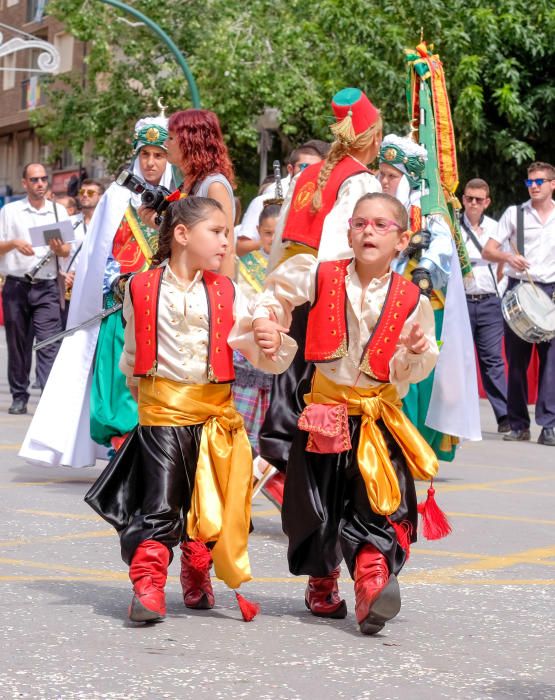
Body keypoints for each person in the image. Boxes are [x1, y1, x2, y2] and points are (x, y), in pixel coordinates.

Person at [85, 196, 285, 623]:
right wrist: (144, 398)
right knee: (158, 503)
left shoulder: (228, 289)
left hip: (216, 419)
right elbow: (133, 356)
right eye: (216, 232)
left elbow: (256, 340)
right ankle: (148, 584)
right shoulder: (141, 288)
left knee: (207, 505)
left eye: (228, 234)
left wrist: (269, 339)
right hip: (163, 417)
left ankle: (198, 572)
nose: (226, 243)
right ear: (181, 235)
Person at [252, 192, 440, 635]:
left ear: (402, 240)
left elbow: (417, 362)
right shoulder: (320, 275)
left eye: (381, 225)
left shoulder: (413, 299)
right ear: (349, 232)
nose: (369, 232)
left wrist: (413, 352)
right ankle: (322, 580)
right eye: (360, 224)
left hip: (377, 419)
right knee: (315, 508)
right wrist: (266, 320)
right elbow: (276, 293)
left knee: (377, 503)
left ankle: (373, 584)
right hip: (324, 413)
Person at [19, 113, 174, 467]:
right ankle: (124, 451)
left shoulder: (179, 199)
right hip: (121, 305)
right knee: (119, 380)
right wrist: (112, 285)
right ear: (137, 155)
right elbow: (98, 253)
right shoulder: (118, 196)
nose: (151, 162)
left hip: (165, 306)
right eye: (145, 154)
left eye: (159, 154)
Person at [258, 87, 382, 506]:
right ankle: (315, 492)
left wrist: (275, 296)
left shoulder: (306, 175)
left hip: (294, 293)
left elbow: (282, 247)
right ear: (371, 138)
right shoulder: (361, 180)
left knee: (291, 391)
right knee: (324, 399)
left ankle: (283, 475)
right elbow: (340, 251)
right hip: (328, 297)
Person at [378, 134, 480, 460]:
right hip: (382, 298)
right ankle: (390, 443)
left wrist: (424, 269)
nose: (384, 180)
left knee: (421, 377)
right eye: (381, 173)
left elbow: (441, 244)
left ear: (407, 176)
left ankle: (413, 446)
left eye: (391, 175)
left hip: (423, 302)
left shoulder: (428, 204)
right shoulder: (374, 202)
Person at [483, 161, 555, 446]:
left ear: (552, 184)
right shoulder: (514, 214)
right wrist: (508, 258)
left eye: (540, 181)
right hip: (519, 291)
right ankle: (518, 424)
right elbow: (489, 250)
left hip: (550, 292)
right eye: (530, 182)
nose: (534, 186)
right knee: (516, 364)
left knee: (551, 364)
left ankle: (548, 425)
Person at [0, 162, 70, 414]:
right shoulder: (10, 211)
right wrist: (14, 244)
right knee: (18, 343)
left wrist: (57, 247)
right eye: (34, 180)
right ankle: (19, 395)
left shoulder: (57, 212)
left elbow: (65, 250)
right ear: (25, 183)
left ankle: (49, 396)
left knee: (49, 342)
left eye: (43, 179)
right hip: (17, 285)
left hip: (47, 285)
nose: (40, 184)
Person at [142, 109, 237, 278]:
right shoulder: (188, 183)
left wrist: (223, 299)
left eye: (171, 138)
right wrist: (158, 223)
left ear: (190, 141)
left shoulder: (214, 185)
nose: (165, 143)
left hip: (206, 287)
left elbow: (227, 249)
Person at [233, 203, 281, 489]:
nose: (272, 240)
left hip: (278, 350)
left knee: (271, 417)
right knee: (242, 420)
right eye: (267, 233)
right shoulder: (246, 264)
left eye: (278, 233)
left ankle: (261, 469)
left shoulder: (293, 266)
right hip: (249, 351)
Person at [459, 178, 509, 432]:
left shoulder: (496, 228)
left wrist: (496, 291)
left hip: (488, 301)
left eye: (479, 199)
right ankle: (458, 416)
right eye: (469, 198)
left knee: (493, 361)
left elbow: (505, 263)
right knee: (460, 360)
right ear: (463, 199)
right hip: (461, 302)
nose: (474, 204)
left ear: (487, 202)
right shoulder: (453, 228)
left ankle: (505, 416)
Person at [236, 141, 329, 257]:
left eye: (315, 169)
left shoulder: (322, 204)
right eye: (304, 166)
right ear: (290, 169)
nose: (309, 173)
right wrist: (270, 241)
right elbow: (240, 247)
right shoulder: (263, 201)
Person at [60, 179, 106, 327]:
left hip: (95, 289)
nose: (85, 195)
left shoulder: (108, 224)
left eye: (90, 192)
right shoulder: (68, 222)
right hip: (69, 288)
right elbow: (55, 252)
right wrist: (62, 274)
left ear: (100, 196)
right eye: (82, 192)